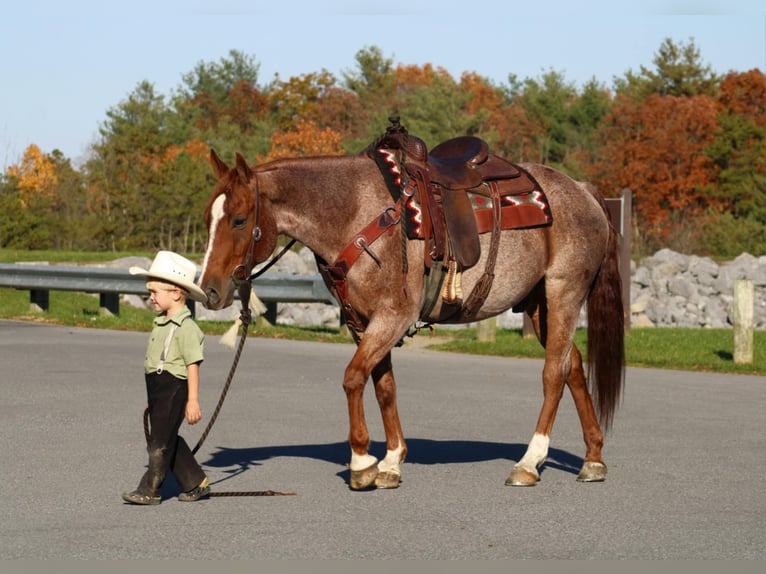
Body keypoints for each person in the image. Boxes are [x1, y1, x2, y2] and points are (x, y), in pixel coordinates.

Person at [122, 251, 211, 505]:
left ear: (175, 293)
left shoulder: (187, 329)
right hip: (159, 389)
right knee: (168, 437)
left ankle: (150, 489)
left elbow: (192, 365)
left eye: (155, 292)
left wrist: (192, 400)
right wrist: (153, 400)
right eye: (149, 292)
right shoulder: (160, 323)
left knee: (159, 444)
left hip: (175, 388)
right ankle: (196, 482)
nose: (151, 297)